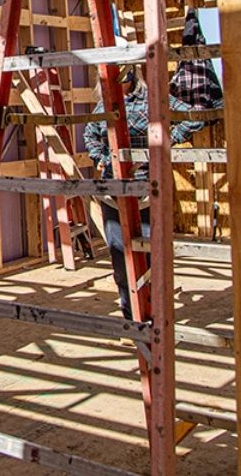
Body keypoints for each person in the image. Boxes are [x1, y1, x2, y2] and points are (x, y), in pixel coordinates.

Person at [83, 53, 203, 320]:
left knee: (148, 252)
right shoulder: (103, 105)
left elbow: (192, 119)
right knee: (119, 253)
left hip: (146, 190)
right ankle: (132, 316)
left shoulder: (150, 102)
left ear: (130, 75)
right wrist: (102, 158)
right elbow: (90, 134)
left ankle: (154, 313)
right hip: (113, 191)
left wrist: (157, 149)